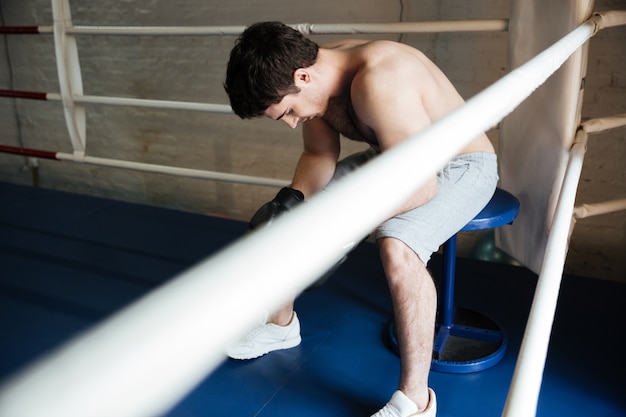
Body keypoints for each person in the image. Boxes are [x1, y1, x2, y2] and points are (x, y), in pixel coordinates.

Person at [223, 21, 498, 417]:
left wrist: (344, 226)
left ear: (302, 77)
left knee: (397, 246)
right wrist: (291, 203)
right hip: (399, 154)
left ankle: (415, 402)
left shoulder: (380, 80)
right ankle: (280, 324)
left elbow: (422, 186)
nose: (289, 122)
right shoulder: (314, 79)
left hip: (460, 164)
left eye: (286, 111)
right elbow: (319, 156)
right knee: (296, 218)